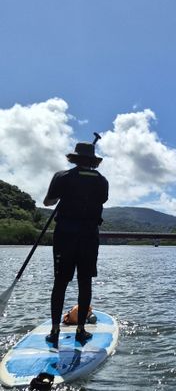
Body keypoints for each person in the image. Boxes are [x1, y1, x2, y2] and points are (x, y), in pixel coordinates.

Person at [43, 142, 108, 346]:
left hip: (65, 237)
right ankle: (81, 330)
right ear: (93, 161)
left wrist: (63, 195)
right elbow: (100, 200)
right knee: (85, 282)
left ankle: (55, 330)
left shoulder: (62, 177)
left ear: (75, 158)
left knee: (60, 283)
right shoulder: (102, 181)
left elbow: (48, 202)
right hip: (89, 237)